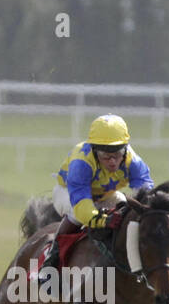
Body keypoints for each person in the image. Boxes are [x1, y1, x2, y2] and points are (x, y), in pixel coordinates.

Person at [39, 114, 154, 284]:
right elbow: (82, 207)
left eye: (117, 153)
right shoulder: (81, 162)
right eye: (106, 156)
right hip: (69, 194)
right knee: (77, 216)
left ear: (125, 148)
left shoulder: (132, 160)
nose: (113, 161)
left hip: (105, 195)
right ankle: (50, 262)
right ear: (94, 150)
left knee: (126, 210)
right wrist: (103, 220)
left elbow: (145, 195)